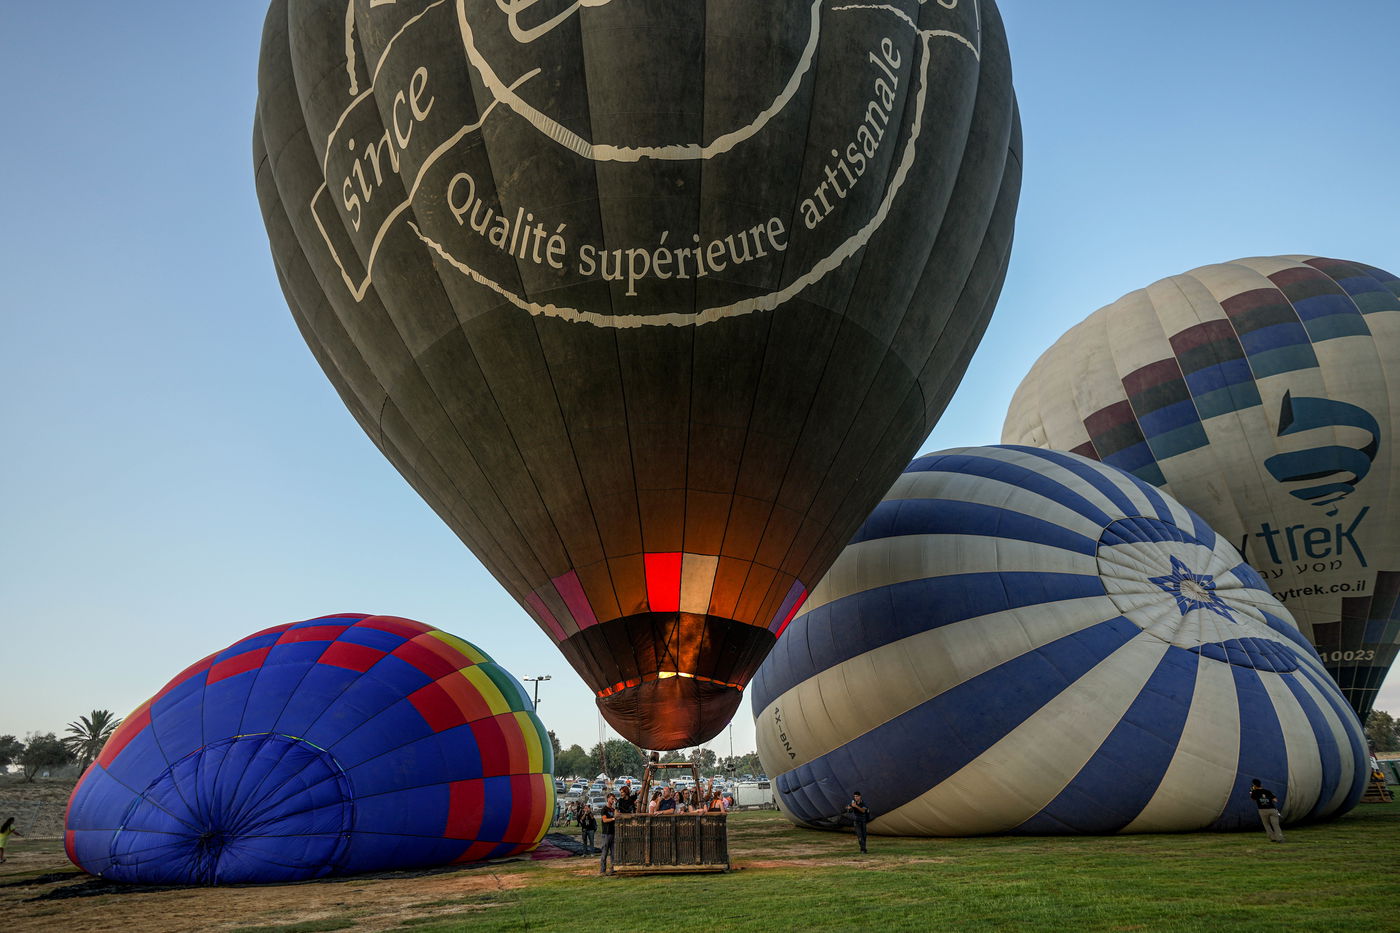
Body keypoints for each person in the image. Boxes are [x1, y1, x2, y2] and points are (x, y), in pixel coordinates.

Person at [598, 793, 617, 875]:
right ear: (608, 799)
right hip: (606, 833)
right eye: (612, 799)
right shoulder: (604, 809)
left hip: (613, 833)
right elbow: (605, 820)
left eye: (614, 799)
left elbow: (617, 815)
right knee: (605, 852)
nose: (613, 801)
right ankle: (602, 870)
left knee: (613, 852)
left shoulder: (613, 810)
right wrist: (613, 818)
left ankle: (613, 868)